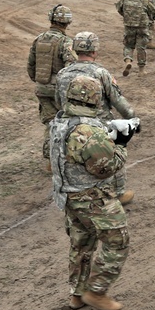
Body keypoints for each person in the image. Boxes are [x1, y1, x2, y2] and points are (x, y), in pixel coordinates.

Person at [49, 75, 135, 310]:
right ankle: (96, 291)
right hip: (92, 197)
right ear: (96, 99)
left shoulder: (58, 122)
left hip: (67, 195)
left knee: (81, 244)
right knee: (117, 240)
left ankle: (77, 294)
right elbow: (105, 168)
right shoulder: (87, 131)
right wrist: (122, 145)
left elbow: (51, 156)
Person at [56, 31, 138, 205]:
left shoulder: (63, 73)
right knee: (113, 152)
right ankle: (119, 192)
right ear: (94, 50)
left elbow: (58, 101)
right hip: (97, 125)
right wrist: (131, 118)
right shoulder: (101, 73)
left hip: (70, 126)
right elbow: (117, 100)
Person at [27, 5, 77, 165]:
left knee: (50, 123)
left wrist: (40, 81)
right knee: (67, 123)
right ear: (67, 22)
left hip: (42, 88)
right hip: (59, 90)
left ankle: (50, 162)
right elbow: (71, 67)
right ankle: (67, 159)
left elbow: (31, 65)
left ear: (51, 19)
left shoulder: (39, 39)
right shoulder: (66, 42)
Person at [115, 0, 155, 76]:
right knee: (141, 48)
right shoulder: (145, 1)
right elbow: (152, 11)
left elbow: (120, 10)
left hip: (129, 27)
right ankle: (141, 70)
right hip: (142, 28)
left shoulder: (124, 0)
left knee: (128, 45)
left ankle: (128, 61)